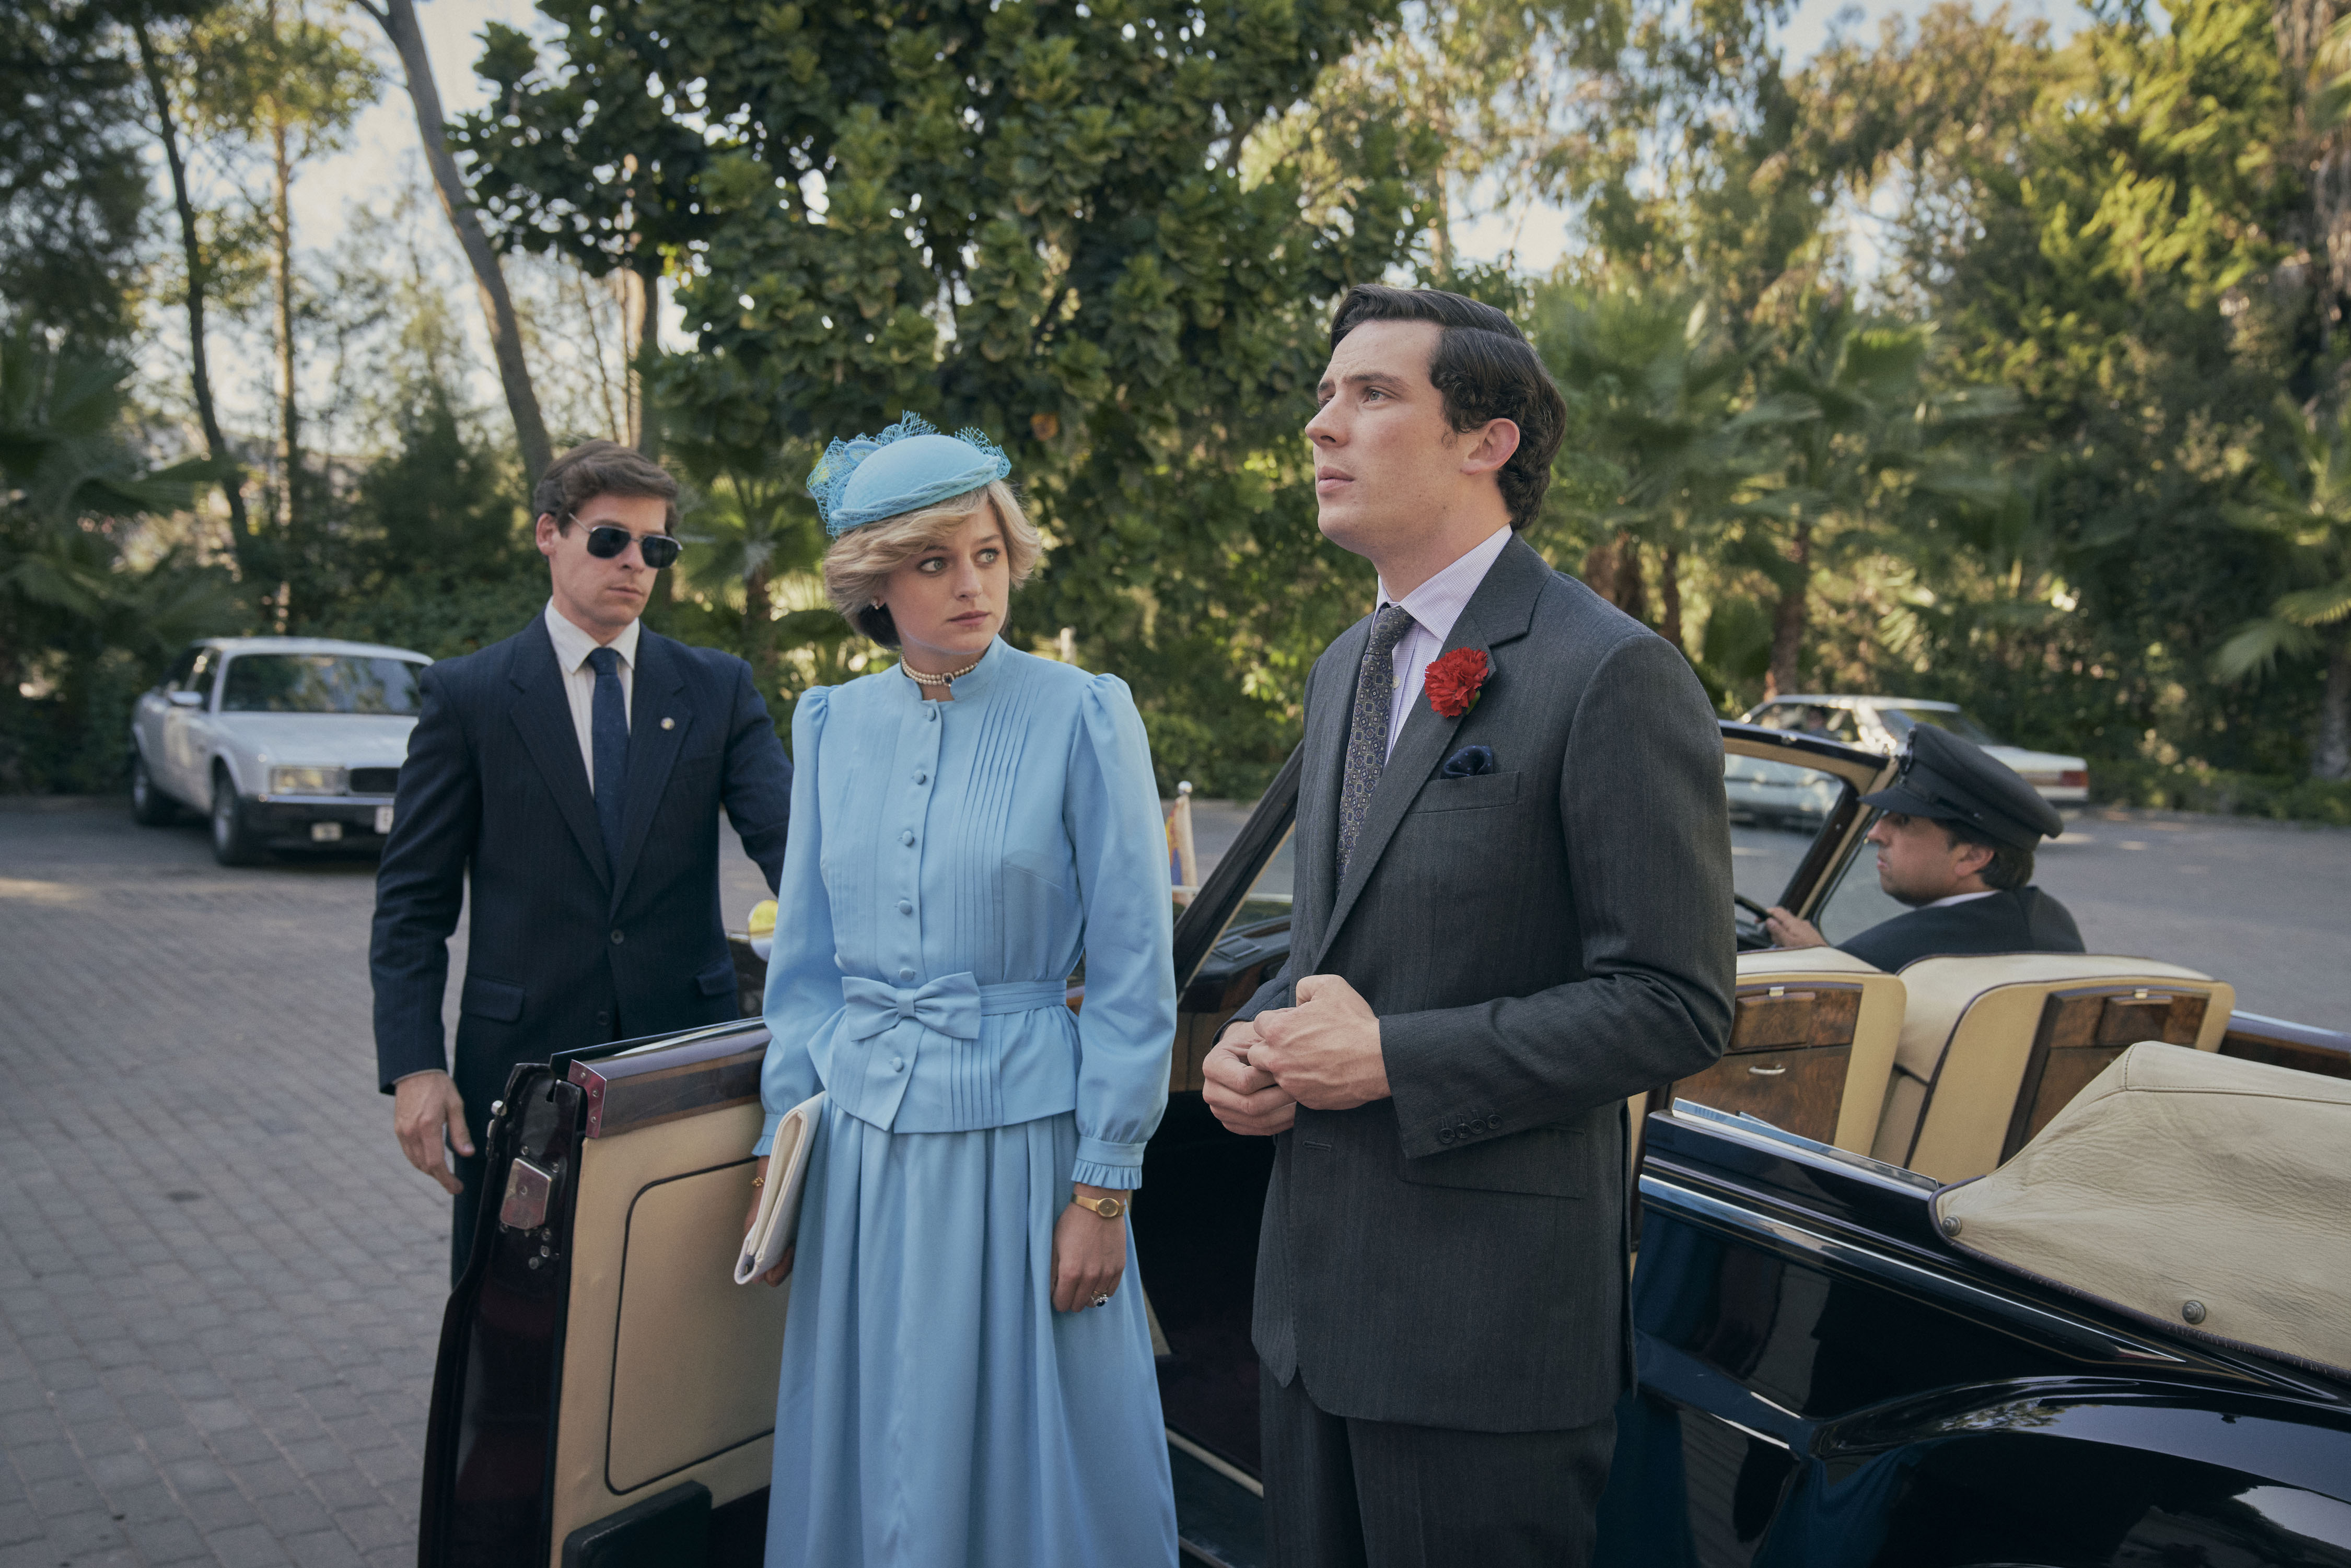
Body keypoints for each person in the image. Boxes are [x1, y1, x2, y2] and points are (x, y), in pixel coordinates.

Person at [1201, 285, 1735, 1567]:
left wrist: (1393, 1057)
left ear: (1486, 440)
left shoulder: (1610, 670)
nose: (1321, 425)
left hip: (1480, 1337)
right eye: (1324, 395)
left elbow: (1674, 1001)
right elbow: (1341, 941)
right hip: (1306, 1314)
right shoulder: (1347, 665)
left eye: (1370, 394)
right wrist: (1254, 1036)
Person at [747, 416, 1179, 1567]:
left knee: (1031, 1458)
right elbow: (806, 966)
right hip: (861, 1157)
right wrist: (778, 1153)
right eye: (935, 561)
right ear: (874, 583)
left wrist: (1103, 1190)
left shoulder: (1085, 711)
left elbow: (1135, 969)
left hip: (1025, 1154)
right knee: (879, 1438)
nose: (973, 584)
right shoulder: (829, 722)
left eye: (988, 554)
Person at [371, 440, 794, 1283]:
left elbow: (795, 851)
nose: (636, 562)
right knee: (513, 1309)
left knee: (670, 1305)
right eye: (610, 539)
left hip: (681, 1063)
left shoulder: (717, 689)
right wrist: (416, 1065)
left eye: (657, 546)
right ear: (549, 534)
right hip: (522, 1073)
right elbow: (412, 904)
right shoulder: (470, 695)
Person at [1763, 722, 2084, 969]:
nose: (1875, 833)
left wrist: (1823, 967)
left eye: (1903, 821)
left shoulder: (1889, 958)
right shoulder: (2052, 924)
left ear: (1973, 856)